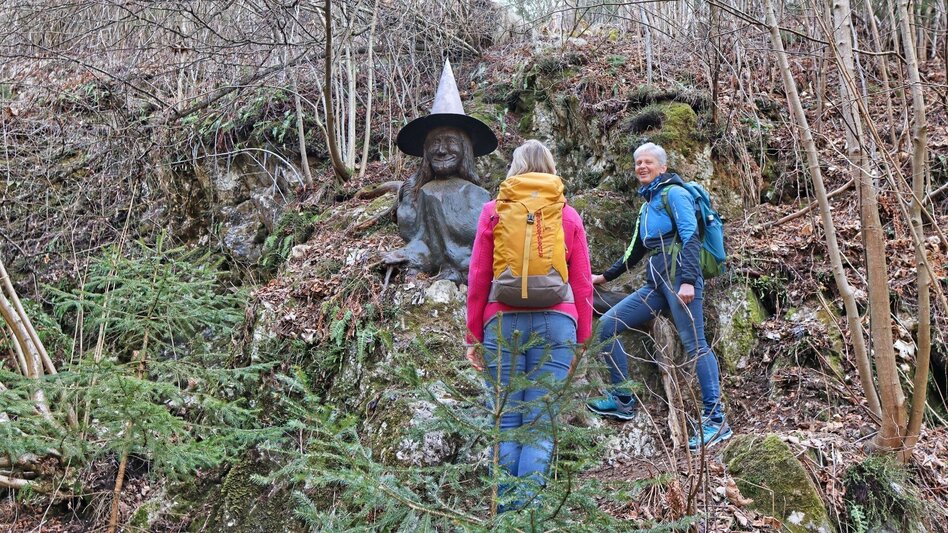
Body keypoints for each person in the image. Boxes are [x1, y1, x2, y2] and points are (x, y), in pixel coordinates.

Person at [465, 139, 593, 510]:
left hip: (501, 323)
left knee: (506, 425)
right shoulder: (567, 214)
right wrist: (582, 339)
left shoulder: (494, 210)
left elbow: (478, 276)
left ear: (515, 167)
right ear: (550, 167)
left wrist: (473, 336)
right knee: (538, 426)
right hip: (557, 325)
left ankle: (504, 517)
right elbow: (583, 283)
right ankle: (527, 519)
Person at [586, 142, 732, 451]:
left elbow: (691, 235)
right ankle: (623, 399)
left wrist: (689, 281)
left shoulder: (673, 194)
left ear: (662, 167)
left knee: (695, 345)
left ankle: (716, 420)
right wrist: (604, 277)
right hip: (655, 282)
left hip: (679, 276)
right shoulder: (647, 204)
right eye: (638, 162)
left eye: (648, 162)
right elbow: (635, 250)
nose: (641, 166)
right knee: (606, 326)